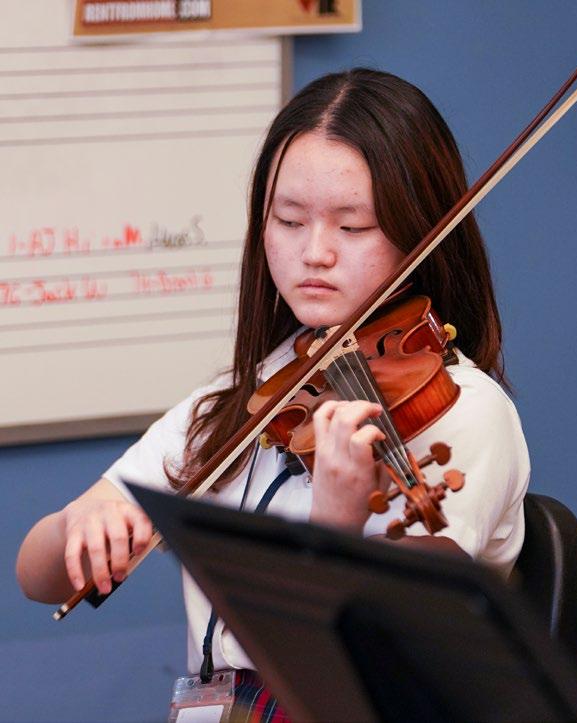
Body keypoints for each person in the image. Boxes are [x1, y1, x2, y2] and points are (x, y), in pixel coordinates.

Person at [16, 68, 530, 721]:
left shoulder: (463, 414)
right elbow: (36, 576)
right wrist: (81, 525)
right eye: (288, 220)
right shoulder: (246, 399)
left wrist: (337, 518)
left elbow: (375, 663)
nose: (314, 252)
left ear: (420, 229)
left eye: (353, 227)